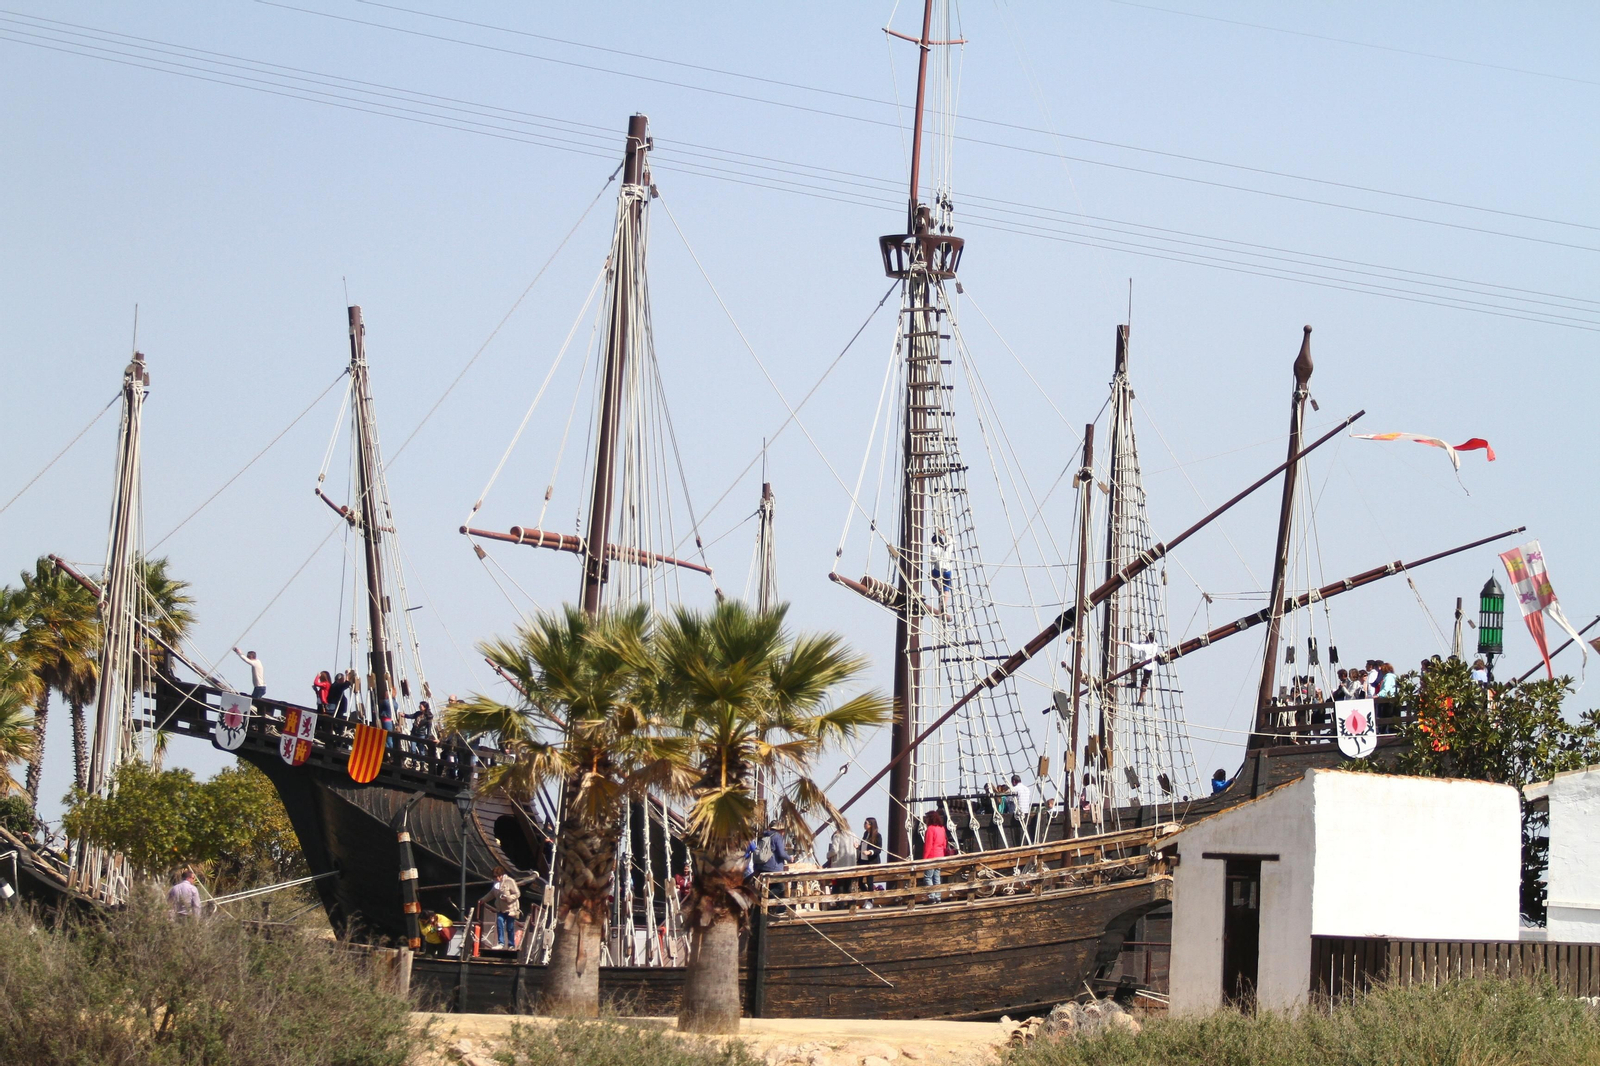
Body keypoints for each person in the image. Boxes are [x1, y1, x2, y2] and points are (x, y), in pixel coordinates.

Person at [479, 866, 521, 950]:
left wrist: (508, 898)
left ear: (501, 875)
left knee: (510, 927)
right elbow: (491, 894)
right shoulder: (496, 883)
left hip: (510, 909)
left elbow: (517, 894)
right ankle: (501, 943)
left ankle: (511, 944)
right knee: (499, 923)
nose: (496, 878)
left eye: (497, 876)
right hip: (500, 909)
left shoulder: (510, 881)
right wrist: (483, 900)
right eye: (494, 877)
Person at [1116, 632, 1161, 706]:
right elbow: (1151, 640)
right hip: (1149, 665)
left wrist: (1123, 643)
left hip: (1146, 665)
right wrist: (1146, 635)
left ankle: (1139, 699)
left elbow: (1134, 646)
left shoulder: (1145, 647)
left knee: (1142, 681)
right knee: (1137, 674)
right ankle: (1134, 685)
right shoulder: (1155, 645)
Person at [920, 809, 948, 901]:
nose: (926, 820)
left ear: (930, 819)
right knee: (937, 877)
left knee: (928, 877)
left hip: (932, 856)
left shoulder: (930, 829)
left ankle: (931, 896)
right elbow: (944, 843)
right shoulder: (942, 828)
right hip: (940, 855)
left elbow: (928, 845)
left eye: (927, 818)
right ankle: (938, 896)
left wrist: (924, 858)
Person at [928, 529, 954, 616]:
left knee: (930, 575)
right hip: (947, 571)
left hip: (938, 571)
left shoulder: (934, 551)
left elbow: (932, 561)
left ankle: (939, 589)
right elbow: (950, 539)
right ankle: (944, 605)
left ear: (934, 543)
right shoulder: (948, 547)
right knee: (947, 588)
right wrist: (944, 533)